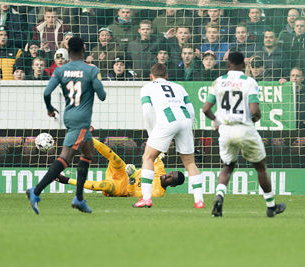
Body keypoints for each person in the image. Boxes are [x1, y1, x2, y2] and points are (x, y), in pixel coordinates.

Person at [26, 37, 106, 214]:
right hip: (81, 120)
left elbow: (47, 92)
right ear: (84, 48)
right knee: (65, 158)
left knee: (87, 153)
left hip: (69, 117)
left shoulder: (61, 70)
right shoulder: (91, 69)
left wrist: (49, 109)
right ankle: (36, 190)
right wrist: (93, 85)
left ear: (68, 50)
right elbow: (102, 95)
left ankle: (79, 198)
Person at [202, 51, 286, 217]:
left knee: (227, 166)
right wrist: (255, 118)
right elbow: (255, 110)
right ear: (243, 65)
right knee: (260, 167)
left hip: (225, 129)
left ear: (228, 65)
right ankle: (270, 206)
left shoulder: (218, 82)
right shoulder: (249, 82)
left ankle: (219, 195)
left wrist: (217, 121)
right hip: (244, 128)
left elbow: (205, 109)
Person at [133, 63, 204, 208]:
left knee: (148, 157)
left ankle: (146, 198)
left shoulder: (147, 87)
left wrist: (151, 134)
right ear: (166, 76)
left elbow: (147, 112)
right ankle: (199, 200)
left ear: (151, 76)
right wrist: (185, 128)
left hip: (167, 121)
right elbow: (191, 111)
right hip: (185, 120)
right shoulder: (179, 87)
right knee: (190, 162)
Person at [56, 138, 185, 197]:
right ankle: (88, 138)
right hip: (123, 173)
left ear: (172, 185)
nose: (167, 175)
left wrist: (132, 178)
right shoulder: (160, 171)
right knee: (115, 158)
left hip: (121, 187)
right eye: (170, 173)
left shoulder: (157, 193)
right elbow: (152, 158)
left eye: (170, 179)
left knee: (104, 186)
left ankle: (66, 180)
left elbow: (131, 193)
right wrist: (156, 151)